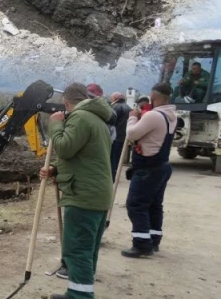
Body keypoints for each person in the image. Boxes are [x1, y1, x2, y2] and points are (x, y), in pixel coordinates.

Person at [41, 83, 113, 299]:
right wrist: (56, 170)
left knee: (77, 250)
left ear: (66, 102)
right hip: (95, 192)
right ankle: (77, 291)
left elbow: (64, 147)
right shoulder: (97, 119)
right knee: (86, 250)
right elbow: (85, 157)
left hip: (83, 195)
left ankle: (79, 296)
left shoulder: (80, 118)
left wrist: (55, 125)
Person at [122, 83, 176, 258]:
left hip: (148, 168)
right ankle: (154, 239)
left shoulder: (154, 116)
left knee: (136, 205)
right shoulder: (171, 115)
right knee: (154, 204)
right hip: (162, 166)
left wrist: (132, 117)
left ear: (153, 96)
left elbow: (131, 134)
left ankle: (142, 244)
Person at [110, 92, 132, 182]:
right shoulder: (129, 108)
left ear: (115, 98)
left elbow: (111, 122)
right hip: (124, 137)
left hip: (115, 137)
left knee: (112, 158)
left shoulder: (115, 107)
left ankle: (112, 177)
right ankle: (116, 174)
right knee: (118, 158)